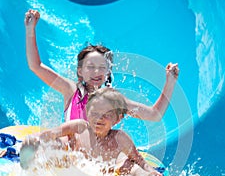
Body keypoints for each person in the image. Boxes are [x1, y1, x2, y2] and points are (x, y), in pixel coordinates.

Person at [20, 88, 208, 176]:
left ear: (118, 119)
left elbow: (140, 160)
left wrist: (151, 171)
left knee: (135, 170)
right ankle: (28, 162)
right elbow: (49, 133)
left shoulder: (120, 138)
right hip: (72, 171)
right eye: (94, 113)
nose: (99, 119)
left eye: (106, 114)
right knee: (56, 145)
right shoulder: (79, 126)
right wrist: (33, 140)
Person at [25, 9, 179, 122]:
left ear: (108, 72)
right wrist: (30, 30)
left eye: (102, 67)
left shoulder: (115, 100)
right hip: (72, 154)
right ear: (80, 72)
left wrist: (170, 82)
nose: (96, 71)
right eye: (90, 67)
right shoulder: (70, 90)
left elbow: (154, 115)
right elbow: (35, 66)